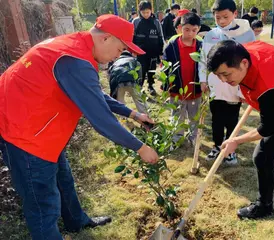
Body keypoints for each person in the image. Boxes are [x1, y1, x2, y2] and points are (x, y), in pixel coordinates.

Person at [0, 14, 159, 240]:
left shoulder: (74, 46)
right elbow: (101, 120)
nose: (118, 56)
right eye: (120, 48)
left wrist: (132, 113)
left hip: (41, 125)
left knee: (63, 178)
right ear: (105, 38)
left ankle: (76, 221)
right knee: (43, 202)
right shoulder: (74, 60)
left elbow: (92, 93)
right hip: (24, 134)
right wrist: (141, 148)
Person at [207, 40, 274, 219]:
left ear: (243, 63)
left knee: (262, 155)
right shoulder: (246, 51)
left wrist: (236, 140)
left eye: (226, 74)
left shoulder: (267, 87)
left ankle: (264, 206)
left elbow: (267, 128)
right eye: (218, 76)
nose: (223, 80)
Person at [199, 0, 255, 165]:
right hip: (216, 87)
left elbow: (251, 63)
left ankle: (230, 151)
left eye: (225, 16)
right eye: (218, 18)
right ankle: (217, 146)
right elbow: (203, 60)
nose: (221, 21)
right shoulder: (210, 35)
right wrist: (203, 80)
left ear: (235, 14)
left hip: (235, 87)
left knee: (232, 120)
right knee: (216, 119)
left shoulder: (247, 34)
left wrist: (245, 91)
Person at [162, 12, 203, 146]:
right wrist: (166, 87)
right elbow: (165, 68)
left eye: (194, 30)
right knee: (177, 115)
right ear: (180, 27)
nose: (190, 33)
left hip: (195, 89)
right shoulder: (172, 46)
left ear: (198, 29)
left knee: (194, 116)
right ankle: (176, 138)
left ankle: (193, 137)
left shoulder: (201, 46)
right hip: (177, 89)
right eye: (186, 29)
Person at [133, 1, 164, 96]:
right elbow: (132, 37)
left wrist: (160, 52)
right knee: (140, 71)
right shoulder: (136, 22)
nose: (146, 14)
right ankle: (139, 88)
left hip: (153, 52)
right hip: (140, 53)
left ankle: (151, 86)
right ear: (140, 12)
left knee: (152, 70)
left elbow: (160, 37)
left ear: (151, 11)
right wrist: (133, 51)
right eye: (143, 12)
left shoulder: (156, 22)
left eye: (148, 12)